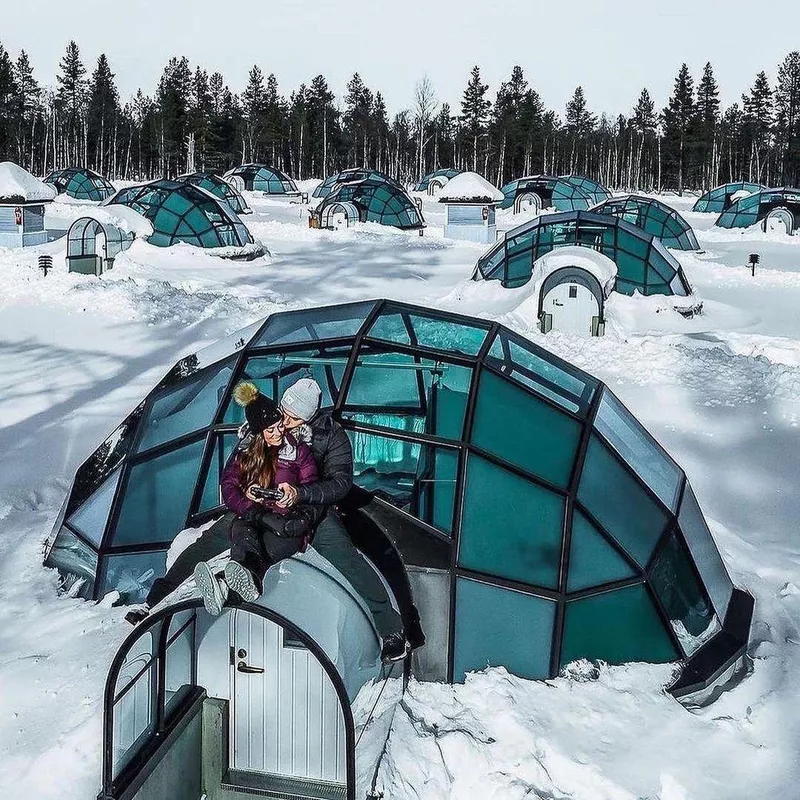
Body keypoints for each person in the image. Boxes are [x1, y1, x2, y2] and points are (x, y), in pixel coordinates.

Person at [274, 377, 413, 663]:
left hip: (315, 511)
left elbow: (340, 484)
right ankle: (162, 592)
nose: (284, 420)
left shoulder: (331, 437)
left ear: (308, 416)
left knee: (351, 563)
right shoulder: (273, 427)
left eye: (292, 416)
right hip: (270, 505)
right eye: (282, 412)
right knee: (218, 537)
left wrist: (302, 494)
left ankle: (392, 629)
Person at [192, 381, 319, 616]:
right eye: (269, 430)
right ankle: (234, 583)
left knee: (268, 546)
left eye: (279, 424)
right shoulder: (247, 453)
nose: (278, 432)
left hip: (284, 521)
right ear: (259, 434)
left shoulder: (299, 451)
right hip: (257, 515)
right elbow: (229, 485)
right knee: (242, 532)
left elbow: (311, 484)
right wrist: (247, 499)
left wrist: (293, 495)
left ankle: (225, 583)